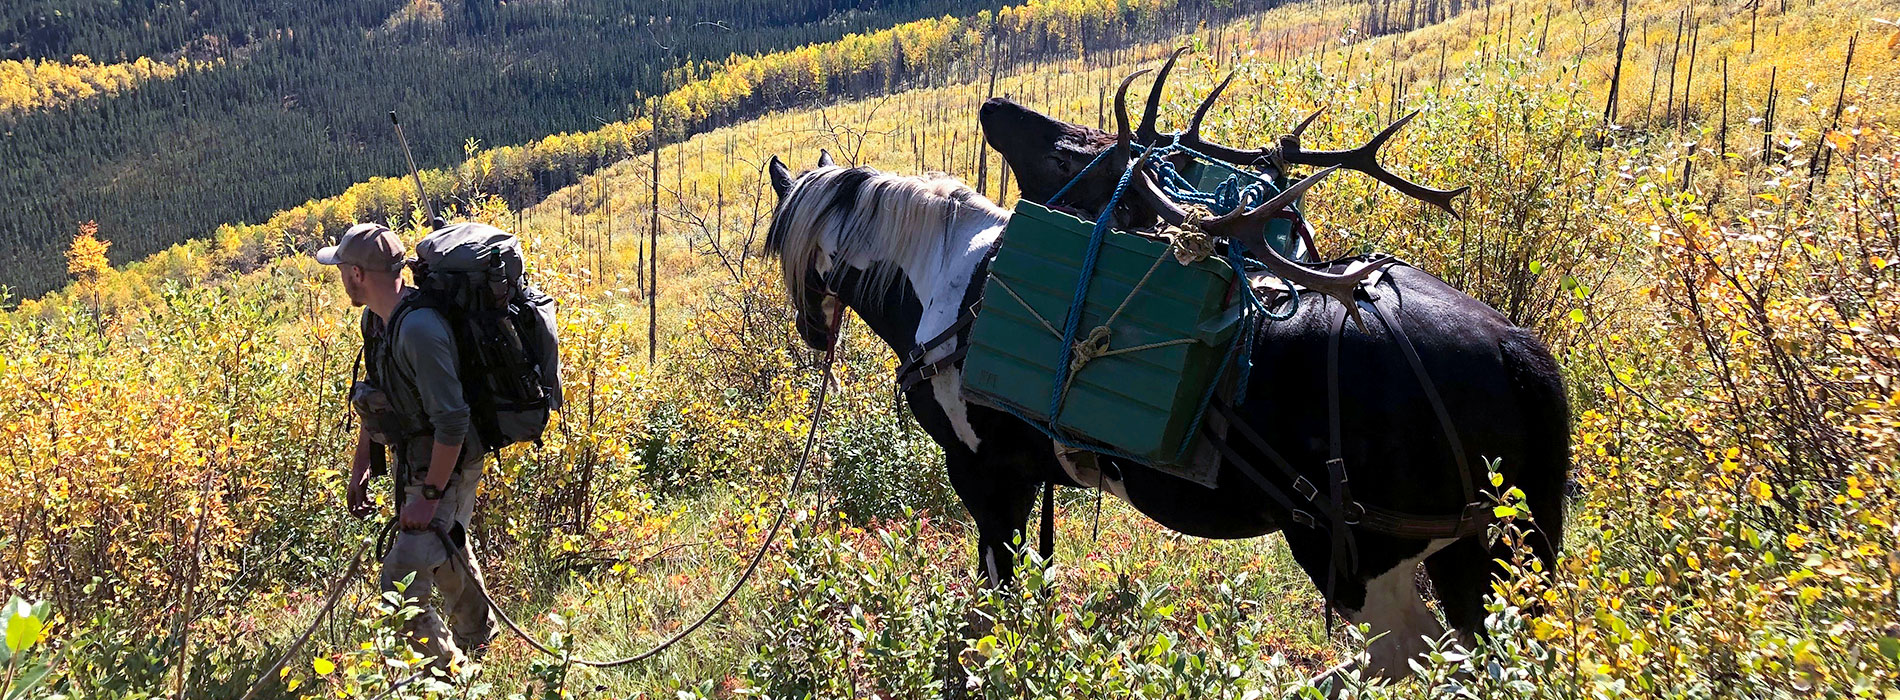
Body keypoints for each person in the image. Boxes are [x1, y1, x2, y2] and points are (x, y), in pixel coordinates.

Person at [320, 222, 494, 670]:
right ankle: (478, 634)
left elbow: (453, 422)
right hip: (418, 461)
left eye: (341, 267)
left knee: (399, 582)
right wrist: (362, 465)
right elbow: (379, 393)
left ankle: (450, 677)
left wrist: (431, 495)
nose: (339, 275)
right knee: (443, 539)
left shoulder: (418, 330)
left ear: (357, 273)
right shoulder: (376, 320)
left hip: (447, 463)